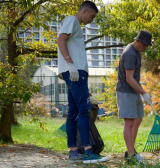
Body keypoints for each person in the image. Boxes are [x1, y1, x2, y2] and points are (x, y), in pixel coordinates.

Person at [57, 1, 108, 164]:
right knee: (85, 109)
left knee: (73, 111)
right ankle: (87, 150)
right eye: (92, 16)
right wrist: (70, 63)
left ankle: (74, 151)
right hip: (75, 71)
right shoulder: (72, 20)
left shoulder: (75, 25)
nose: (92, 20)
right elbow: (61, 40)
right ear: (84, 10)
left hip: (74, 71)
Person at [116, 30, 152, 164]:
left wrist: (141, 92)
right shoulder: (130, 54)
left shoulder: (137, 51)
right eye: (145, 45)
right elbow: (129, 79)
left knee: (138, 119)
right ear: (138, 41)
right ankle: (131, 156)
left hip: (134, 91)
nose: (146, 47)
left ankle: (131, 150)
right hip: (126, 91)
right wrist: (144, 93)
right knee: (129, 122)